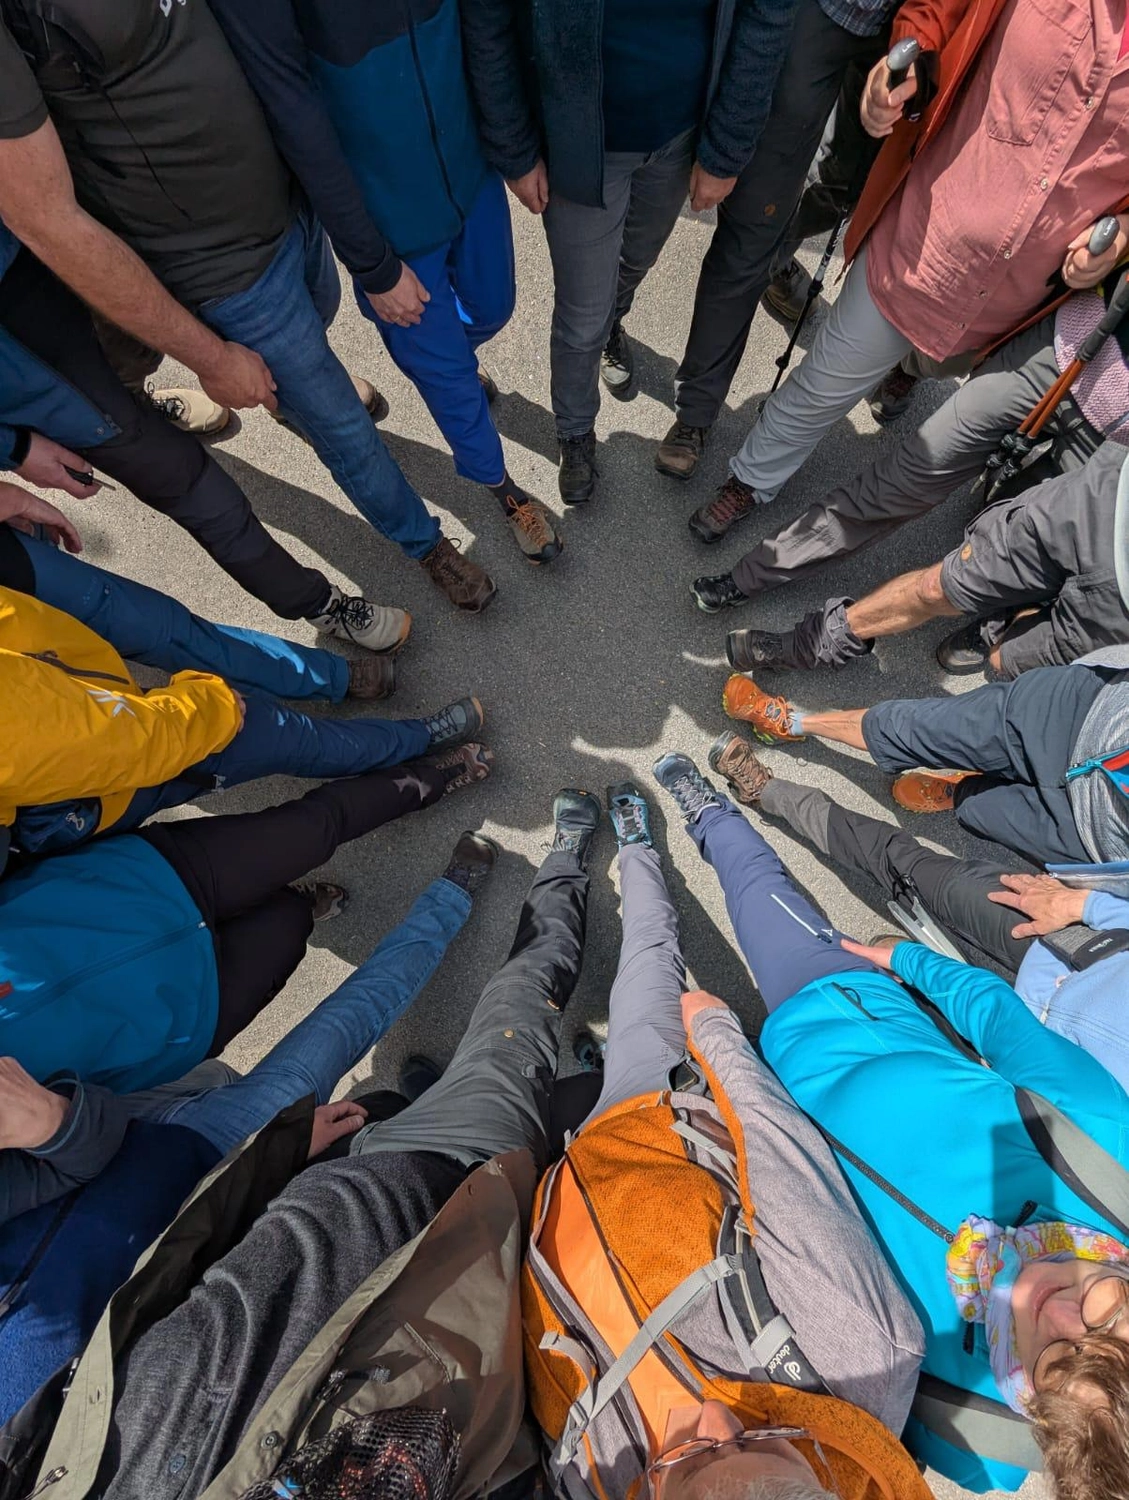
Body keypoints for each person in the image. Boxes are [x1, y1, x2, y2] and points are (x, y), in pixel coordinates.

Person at [8, 787, 598, 1500]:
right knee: (396, 1052)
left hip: (174, 1146)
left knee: (348, 1024)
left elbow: (149, 1295)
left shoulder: (31, 1458)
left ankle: (449, 897)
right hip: (277, 1189)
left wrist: (264, 1162)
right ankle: (563, 1071)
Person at [652, 748, 1129, 1495]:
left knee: (646, 1002)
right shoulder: (1110, 1152)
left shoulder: (971, 1443)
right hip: (836, 1015)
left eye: (1055, 1364)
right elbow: (1001, 1024)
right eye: (1110, 1311)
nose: (1061, 1308)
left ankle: (635, 916)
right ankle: (704, 811)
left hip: (728, 1147)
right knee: (758, 890)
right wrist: (908, 959)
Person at [0, 6, 496, 613]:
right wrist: (210, 357)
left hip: (292, 193)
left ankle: (294, 402)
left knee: (323, 312)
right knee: (346, 429)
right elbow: (52, 224)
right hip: (223, 265)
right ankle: (425, 543)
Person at [0, 826, 497, 1426]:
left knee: (223, 1048)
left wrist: (57, 1124)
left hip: (129, 1119)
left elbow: (61, 1160)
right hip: (212, 1167)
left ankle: (317, 918)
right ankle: (451, 898)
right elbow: (194, 1312)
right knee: (344, 1024)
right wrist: (270, 1163)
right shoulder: (40, 1443)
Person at [522, 782, 931, 1500]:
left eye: (687, 1461)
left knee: (574, 1041)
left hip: (547, 1189)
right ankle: (637, 849)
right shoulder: (863, 1358)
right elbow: (781, 1158)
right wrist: (713, 1032)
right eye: (768, 1437)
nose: (717, 1416)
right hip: (646, 1124)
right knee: (649, 960)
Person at [682, 0, 1129, 554]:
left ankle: (909, 369)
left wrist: (1123, 235)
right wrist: (900, 73)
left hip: (1020, 295)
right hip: (924, 240)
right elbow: (932, 16)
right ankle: (751, 479)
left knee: (941, 361)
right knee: (827, 377)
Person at [208, 0, 563, 569]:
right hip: (390, 226)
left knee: (494, 307)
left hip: (470, 176)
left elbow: (486, 31)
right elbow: (297, 121)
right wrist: (372, 265)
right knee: (446, 375)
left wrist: (513, 148)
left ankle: (453, 361)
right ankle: (503, 489)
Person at [0, 747, 493, 1098]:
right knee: (287, 922)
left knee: (311, 831)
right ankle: (297, 903)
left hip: (138, 884)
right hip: (188, 1018)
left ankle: (430, 777)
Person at [461, 0, 796, 504]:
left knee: (635, 260)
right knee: (582, 314)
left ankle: (611, 322)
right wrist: (513, 145)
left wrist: (727, 146)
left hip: (680, 132)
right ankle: (574, 430)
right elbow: (488, 19)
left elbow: (766, 14)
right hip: (581, 145)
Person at [0, 228, 405, 643]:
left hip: (54, 266)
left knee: (133, 352)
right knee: (208, 499)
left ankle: (143, 398)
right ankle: (320, 605)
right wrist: (15, 447)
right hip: (51, 396)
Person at [708, 727, 1129, 1092]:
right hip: (1069, 948)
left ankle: (897, 960)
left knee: (887, 1017)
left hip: (1001, 1062)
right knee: (901, 860)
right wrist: (1087, 903)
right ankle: (769, 793)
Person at [690, 284, 1126, 612]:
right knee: (902, 479)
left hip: (1117, 445)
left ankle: (992, 625)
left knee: (1022, 536)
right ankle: (755, 574)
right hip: (1070, 347)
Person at [0, 580, 486, 861]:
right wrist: (212, 706)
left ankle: (386, 720)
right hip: (96, 778)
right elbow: (116, 743)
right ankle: (418, 738)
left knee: (264, 727)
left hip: (86, 728)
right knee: (289, 740)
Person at [653, 0, 895, 481]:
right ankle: (696, 410)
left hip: (915, 29)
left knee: (844, 188)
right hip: (823, 12)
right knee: (752, 223)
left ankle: (776, 261)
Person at [727, 443, 1129, 678]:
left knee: (1000, 659)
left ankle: (1002, 618)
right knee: (935, 587)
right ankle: (808, 644)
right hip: (1102, 510)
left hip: (1119, 616)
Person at [720, 649, 1129, 867]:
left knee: (978, 809)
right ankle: (795, 724)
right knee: (912, 726)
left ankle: (956, 788)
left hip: (1091, 837)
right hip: (1091, 714)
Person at [0, 482, 398, 704]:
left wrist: (9, 498)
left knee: (165, 632)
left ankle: (328, 677)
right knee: (93, 711)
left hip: (13, 575)